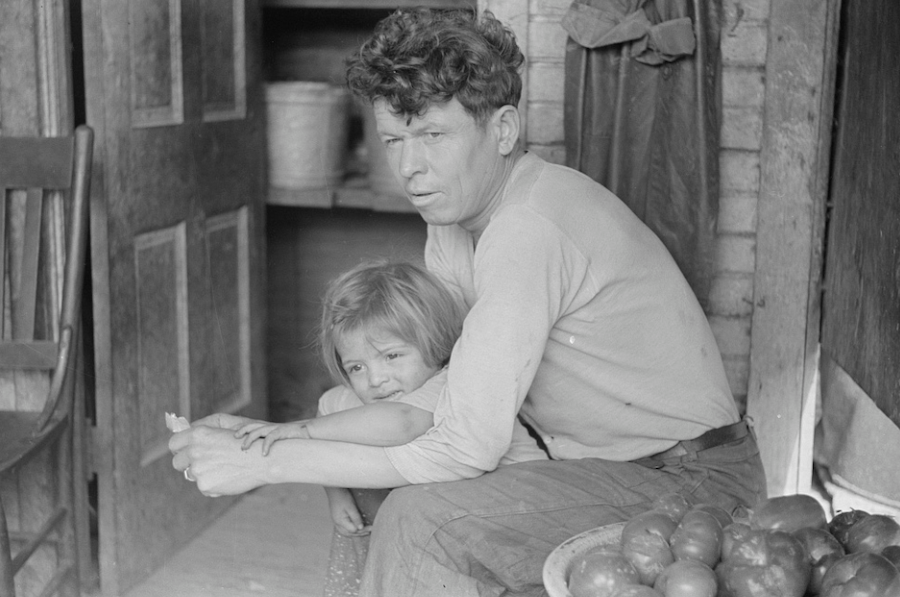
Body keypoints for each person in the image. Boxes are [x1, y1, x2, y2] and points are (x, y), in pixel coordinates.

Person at [170, 7, 767, 596]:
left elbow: (463, 445)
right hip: (603, 467)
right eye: (393, 139)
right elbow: (433, 391)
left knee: (422, 521)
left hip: (691, 482)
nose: (409, 166)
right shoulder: (454, 222)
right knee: (355, 426)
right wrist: (267, 437)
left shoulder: (528, 228)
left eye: (433, 135)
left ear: (503, 130)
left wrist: (267, 465)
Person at [233, 260, 547, 596]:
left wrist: (304, 431)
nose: (376, 379)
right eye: (356, 367)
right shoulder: (356, 399)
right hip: (441, 523)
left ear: (434, 342)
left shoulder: (450, 383)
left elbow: (403, 422)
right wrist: (335, 492)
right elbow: (328, 407)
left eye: (392, 356)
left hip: (519, 520)